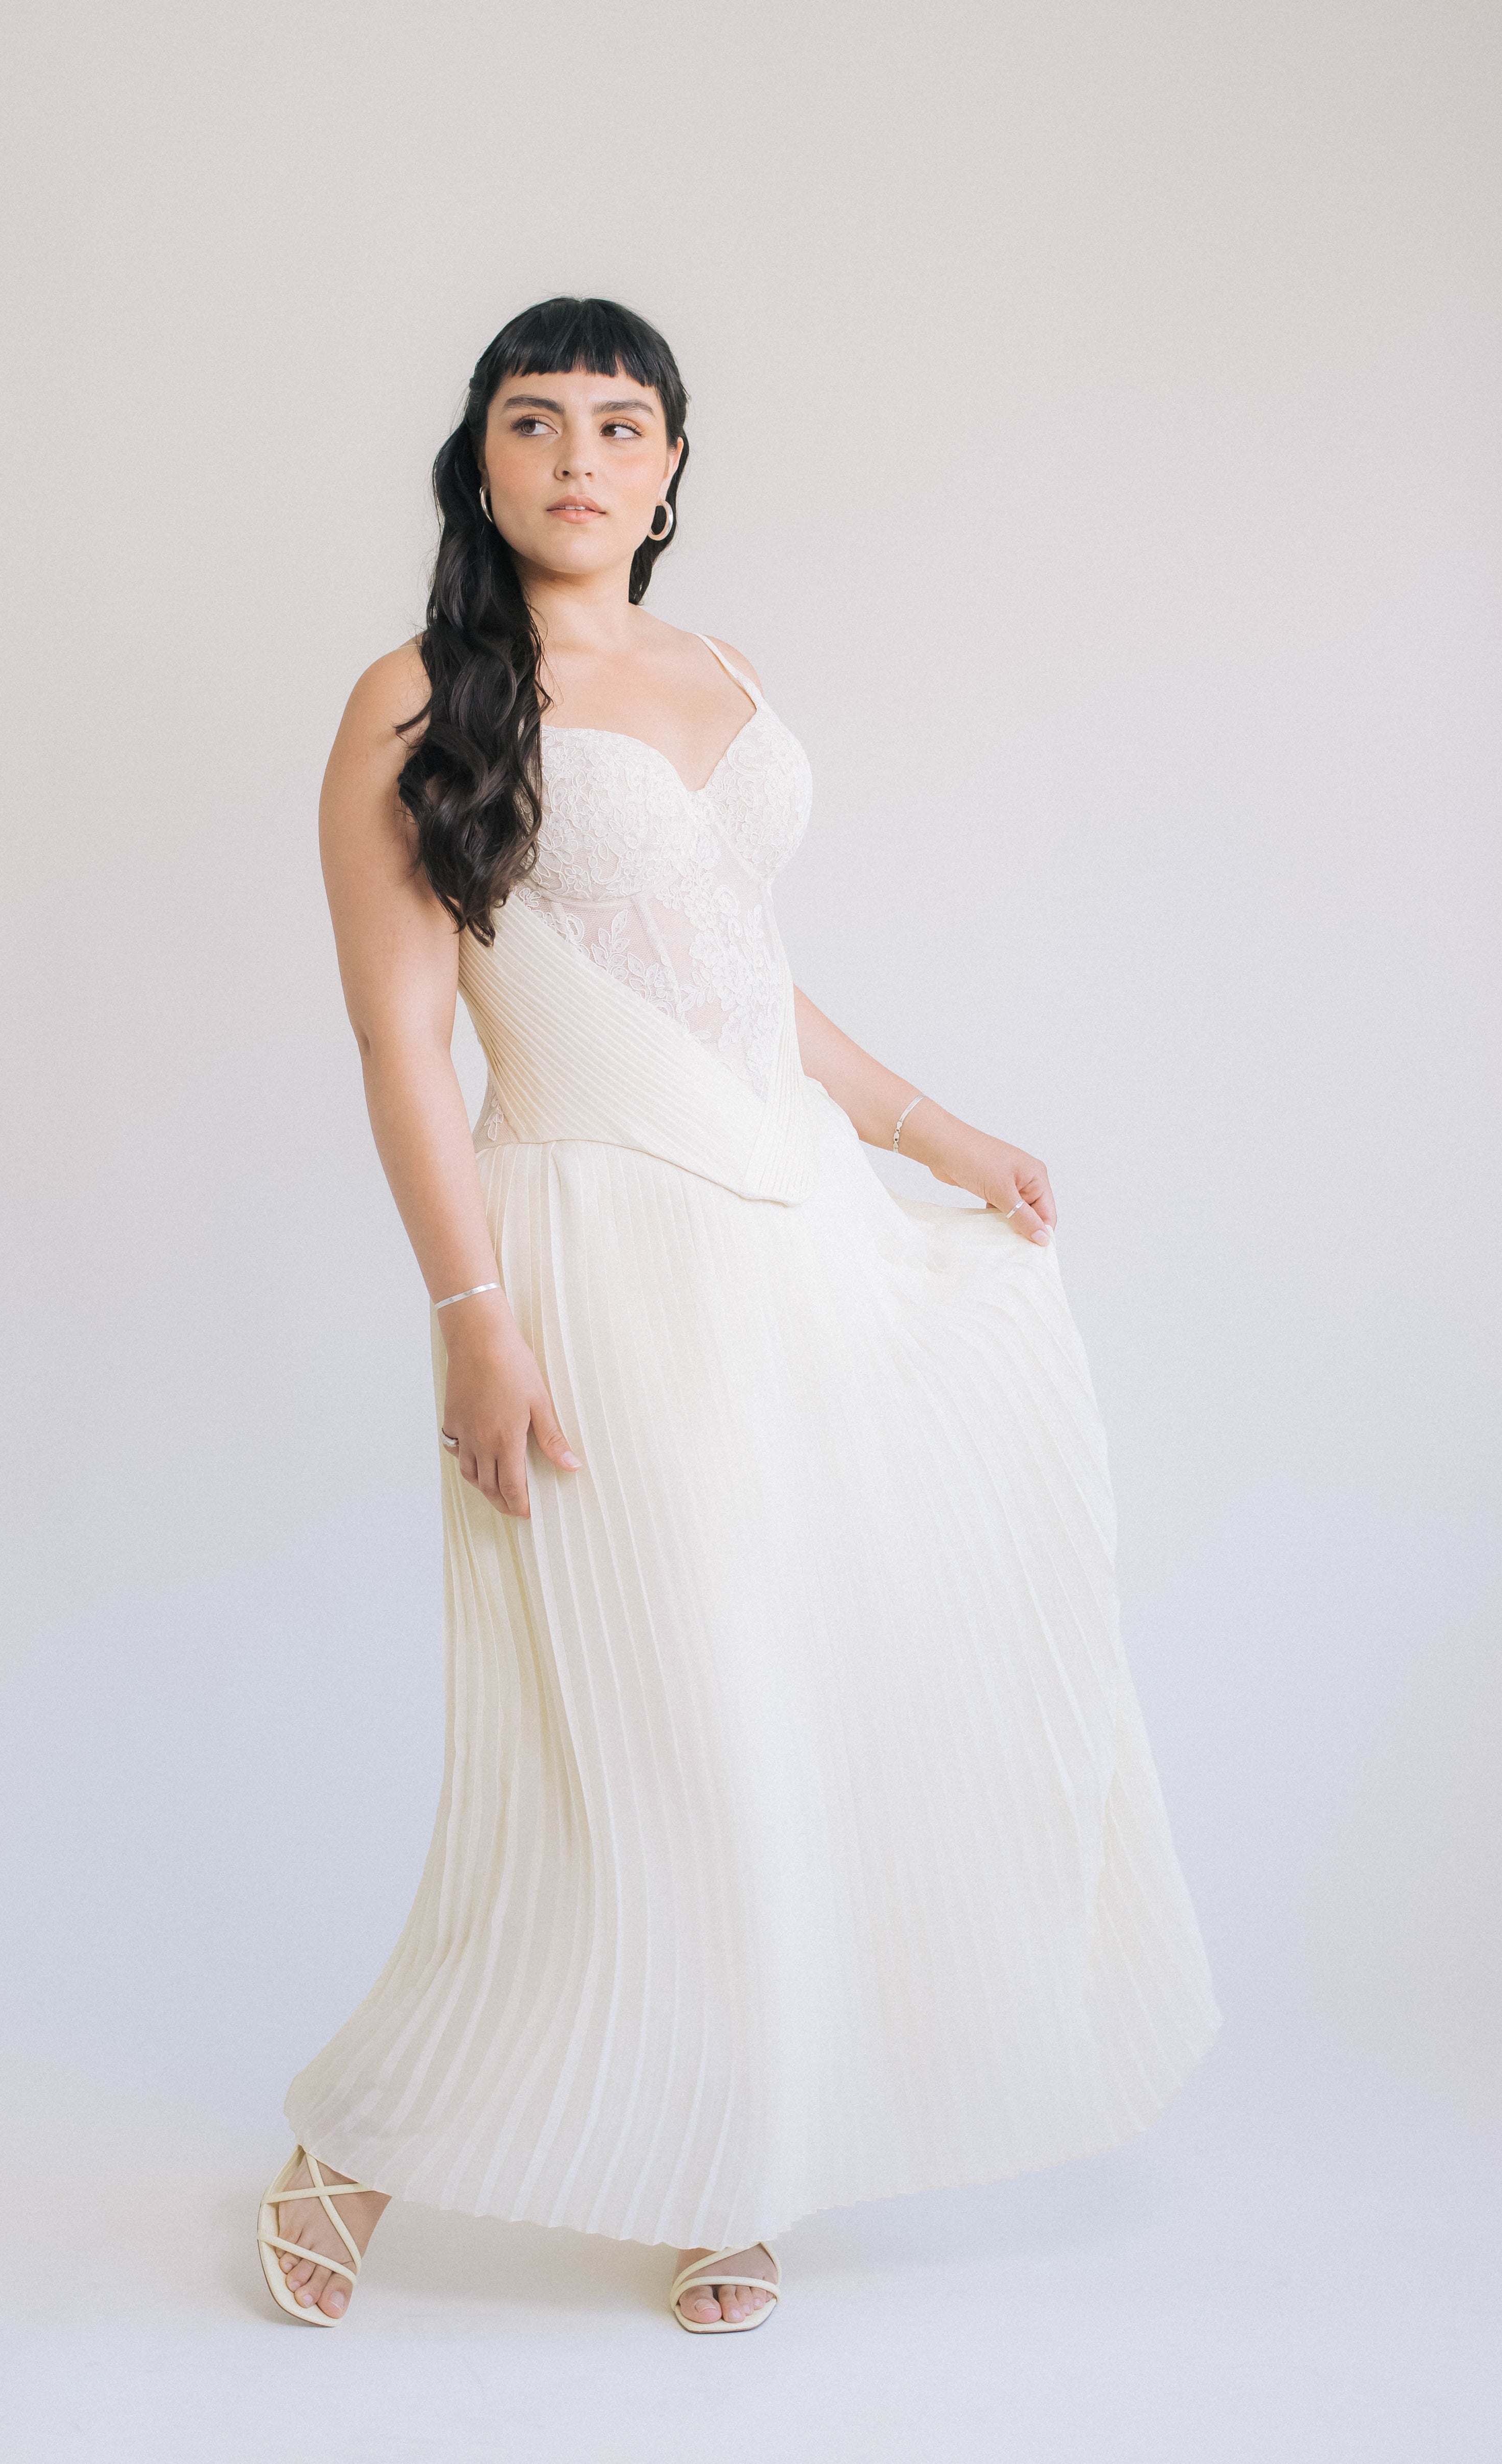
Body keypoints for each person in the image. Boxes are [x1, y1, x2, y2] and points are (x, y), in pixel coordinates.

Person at [255, 295, 1220, 2336]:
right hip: (591, 1248)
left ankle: (737, 2166)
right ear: (481, 459)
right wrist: (473, 1317)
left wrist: (934, 1129)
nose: (579, 458)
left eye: (621, 424)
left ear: (673, 465)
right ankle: (359, 2143)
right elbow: (402, 1039)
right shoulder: (420, 697)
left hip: (793, 1231)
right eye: (536, 421)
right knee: (638, 1736)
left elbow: (739, 972)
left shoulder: (725, 674)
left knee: (794, 1708)